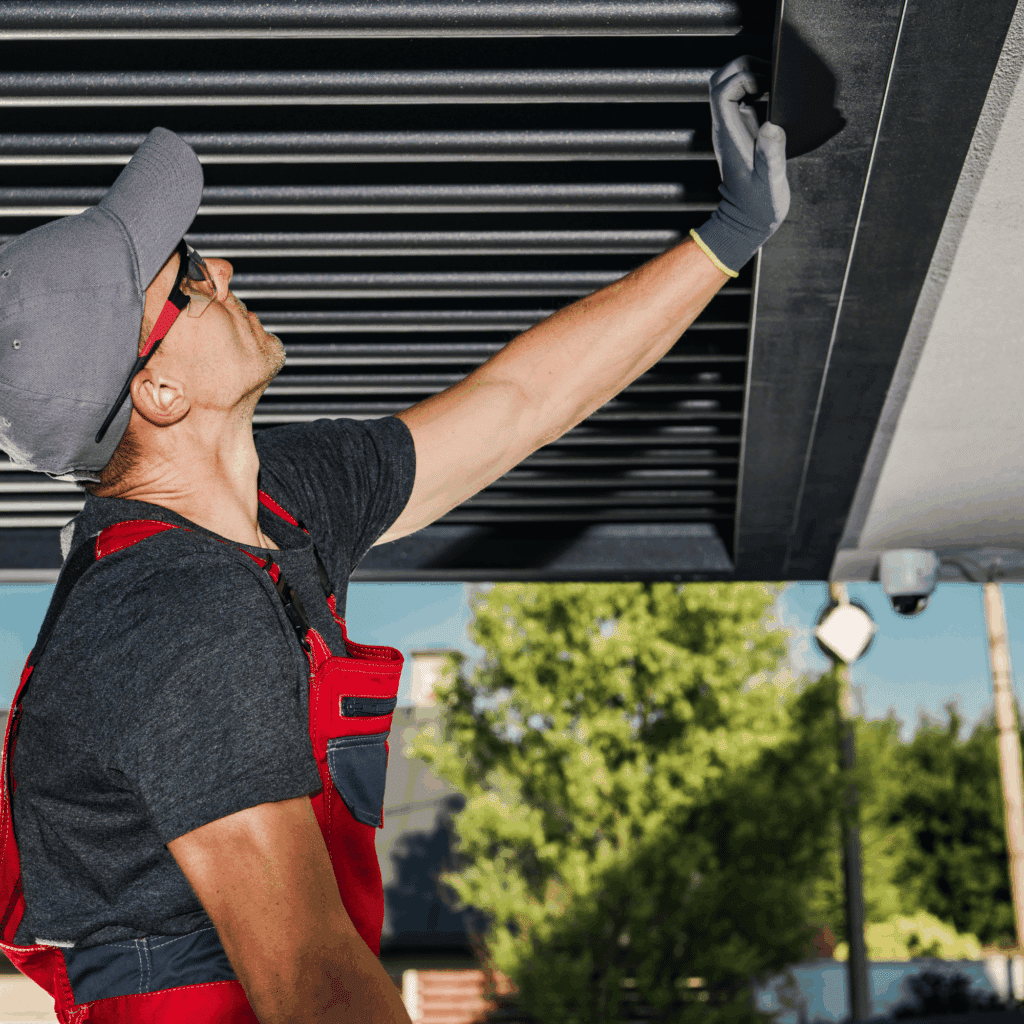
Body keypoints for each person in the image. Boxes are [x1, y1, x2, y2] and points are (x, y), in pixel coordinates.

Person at [0, 56, 788, 1024]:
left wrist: (725, 238)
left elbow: (519, 403)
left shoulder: (277, 507)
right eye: (193, 278)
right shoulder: (173, 616)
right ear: (159, 393)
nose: (225, 270)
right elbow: (307, 978)